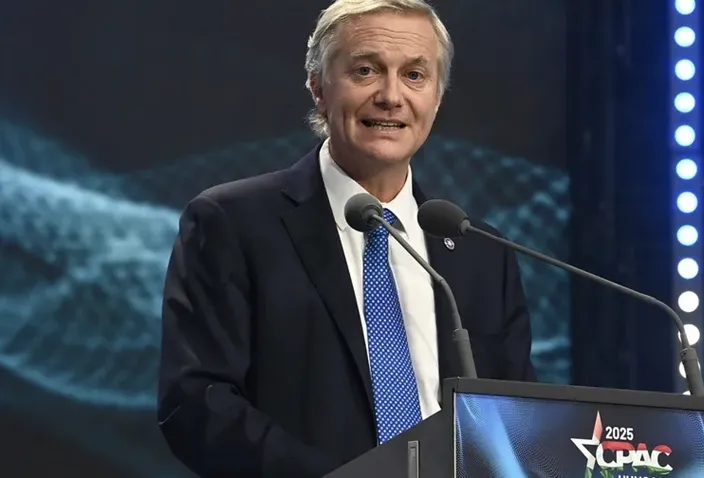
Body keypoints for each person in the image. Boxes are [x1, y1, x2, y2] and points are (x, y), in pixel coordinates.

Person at [156, 0, 536, 476]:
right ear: (318, 87)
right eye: (365, 71)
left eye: (414, 75)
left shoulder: (480, 252)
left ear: (437, 98)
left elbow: (519, 420)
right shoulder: (232, 224)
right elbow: (197, 404)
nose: (391, 96)